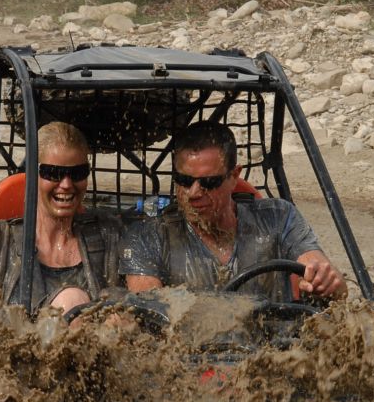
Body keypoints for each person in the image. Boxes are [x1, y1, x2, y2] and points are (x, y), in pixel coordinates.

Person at [119, 121, 345, 301]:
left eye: (208, 182)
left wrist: (326, 280)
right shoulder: (148, 236)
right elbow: (147, 311)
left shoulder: (277, 218)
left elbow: (328, 278)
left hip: (273, 351)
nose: (194, 193)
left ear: (234, 176)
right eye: (184, 180)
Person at [0, 121, 122, 314]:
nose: (66, 184)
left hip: (95, 339)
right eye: (54, 173)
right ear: (32, 174)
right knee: (72, 300)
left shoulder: (109, 233)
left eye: (77, 173)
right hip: (23, 340)